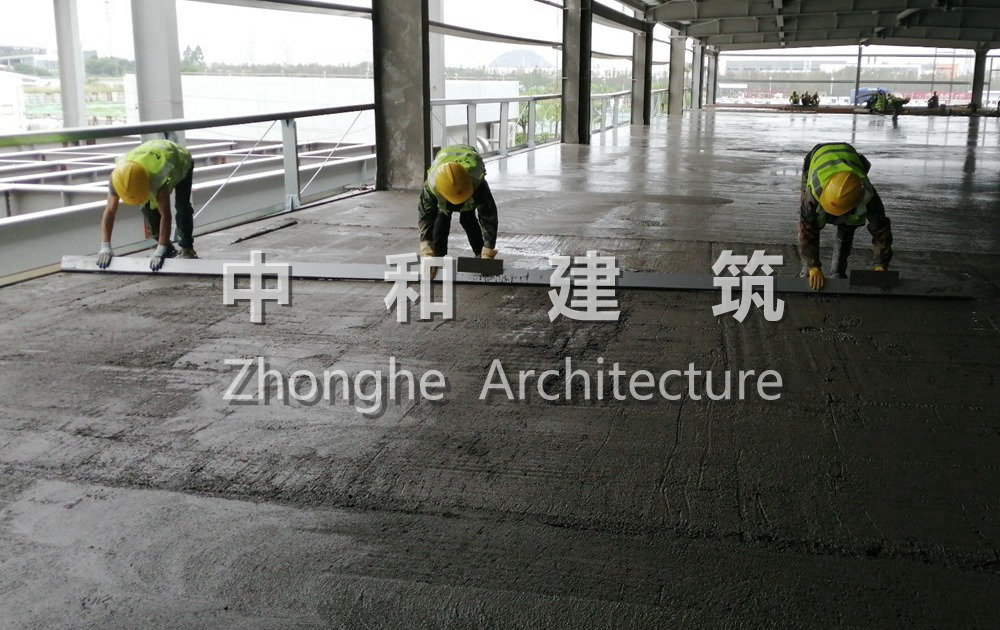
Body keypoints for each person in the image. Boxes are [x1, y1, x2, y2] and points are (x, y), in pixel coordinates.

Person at [797, 142, 893, 290]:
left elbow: (881, 230)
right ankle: (807, 270)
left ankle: (837, 272)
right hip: (817, 156)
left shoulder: (867, 194)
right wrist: (813, 266)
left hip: (849, 157)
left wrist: (881, 264)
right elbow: (807, 230)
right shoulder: (813, 194)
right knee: (809, 223)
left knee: (849, 225)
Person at [97, 139, 197, 271]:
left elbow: (166, 215)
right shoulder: (118, 178)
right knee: (147, 209)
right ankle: (167, 248)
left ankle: (187, 248)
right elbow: (109, 211)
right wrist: (105, 246)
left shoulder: (158, 176)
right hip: (149, 157)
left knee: (182, 206)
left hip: (180, 160)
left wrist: (160, 249)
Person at [418, 144, 498, 260]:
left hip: (464, 180)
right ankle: (438, 257)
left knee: (468, 219)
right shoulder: (431, 186)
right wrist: (426, 249)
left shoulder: (477, 181)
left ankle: (480, 254)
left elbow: (488, 216)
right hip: (448, 185)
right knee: (442, 218)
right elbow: (426, 217)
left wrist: (488, 251)